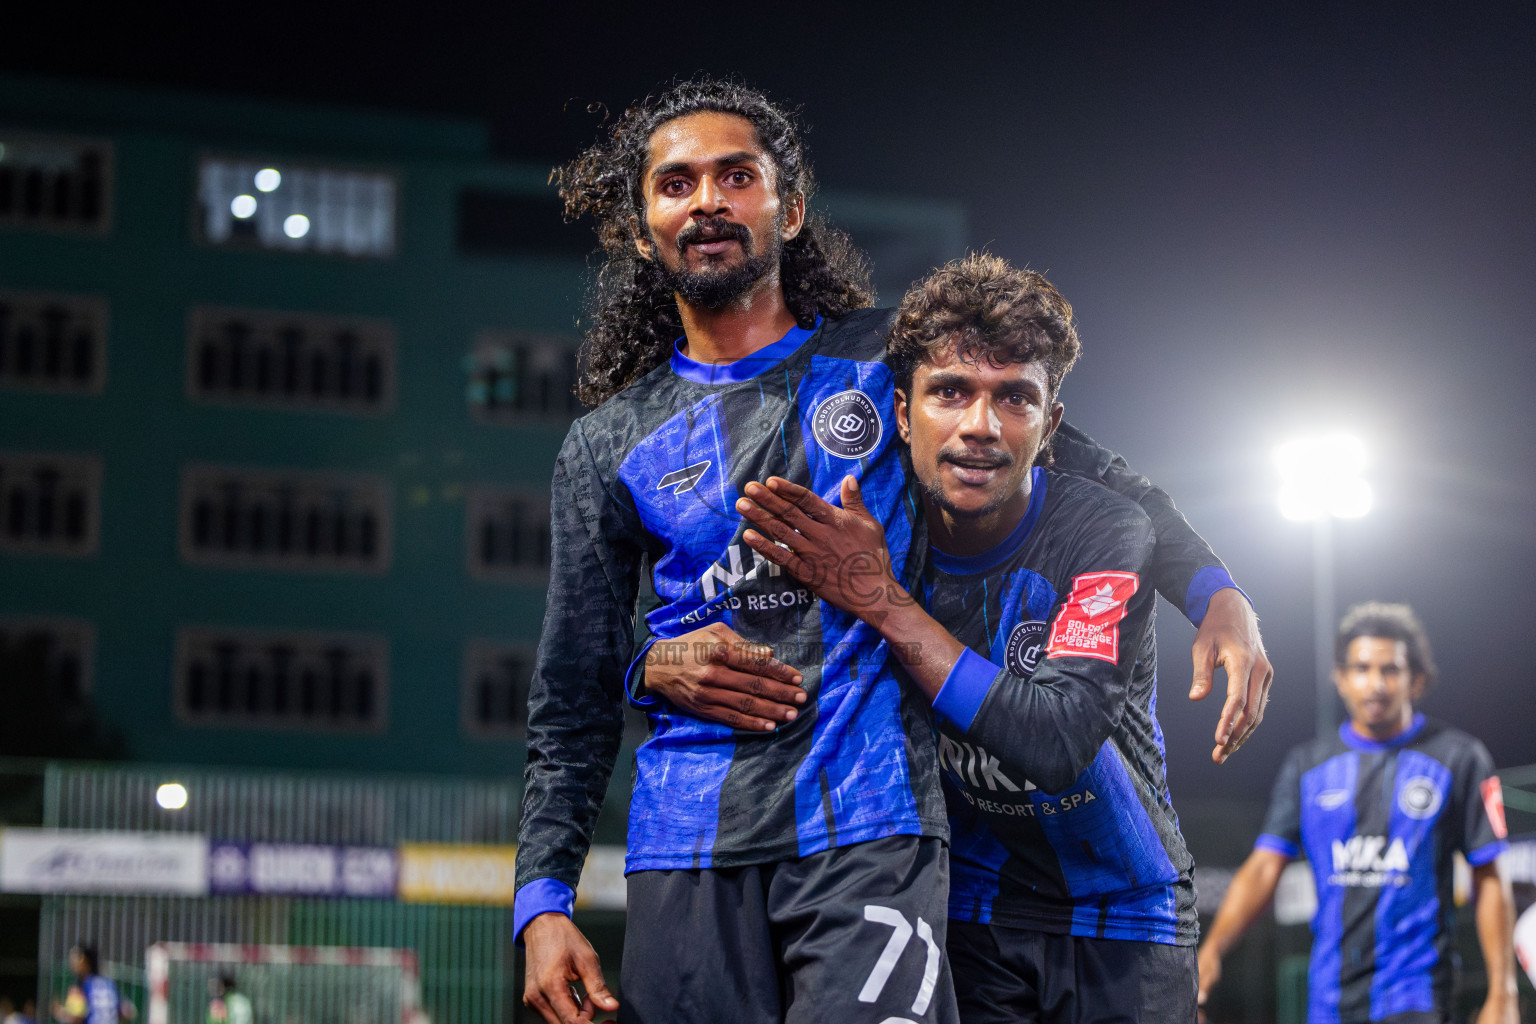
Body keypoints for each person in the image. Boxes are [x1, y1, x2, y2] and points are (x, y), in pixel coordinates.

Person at [514, 77, 1271, 1024]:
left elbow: (1092, 471)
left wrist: (1217, 593)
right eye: (676, 185)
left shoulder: (894, 365)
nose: (706, 200)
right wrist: (543, 899)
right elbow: (569, 692)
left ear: (788, 209)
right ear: (640, 228)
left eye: (736, 176)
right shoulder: (605, 443)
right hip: (686, 844)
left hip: (873, 828)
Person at [719, 254, 1204, 1021]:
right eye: (951, 392)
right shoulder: (865, 523)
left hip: (1127, 918)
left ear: (1049, 423)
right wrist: (655, 666)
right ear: (905, 414)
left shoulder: (1105, 529)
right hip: (971, 915)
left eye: (1014, 398)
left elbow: (1056, 740)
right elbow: (707, 631)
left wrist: (882, 602)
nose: (980, 426)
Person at [1197, 602, 1519, 1024]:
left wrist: (1503, 990)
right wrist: (1212, 950)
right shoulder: (1307, 766)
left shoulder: (1459, 758)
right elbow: (1262, 868)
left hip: (1417, 991)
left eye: (1391, 670)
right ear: (1341, 677)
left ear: (1416, 681)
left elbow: (1489, 875)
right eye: (1362, 668)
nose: (1376, 684)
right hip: (1329, 998)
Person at [51, 945, 131, 1024]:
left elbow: (76, 1018)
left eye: (76, 959)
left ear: (85, 962)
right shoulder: (109, 983)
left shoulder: (82, 986)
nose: (72, 963)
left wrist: (59, 1012)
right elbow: (127, 1012)